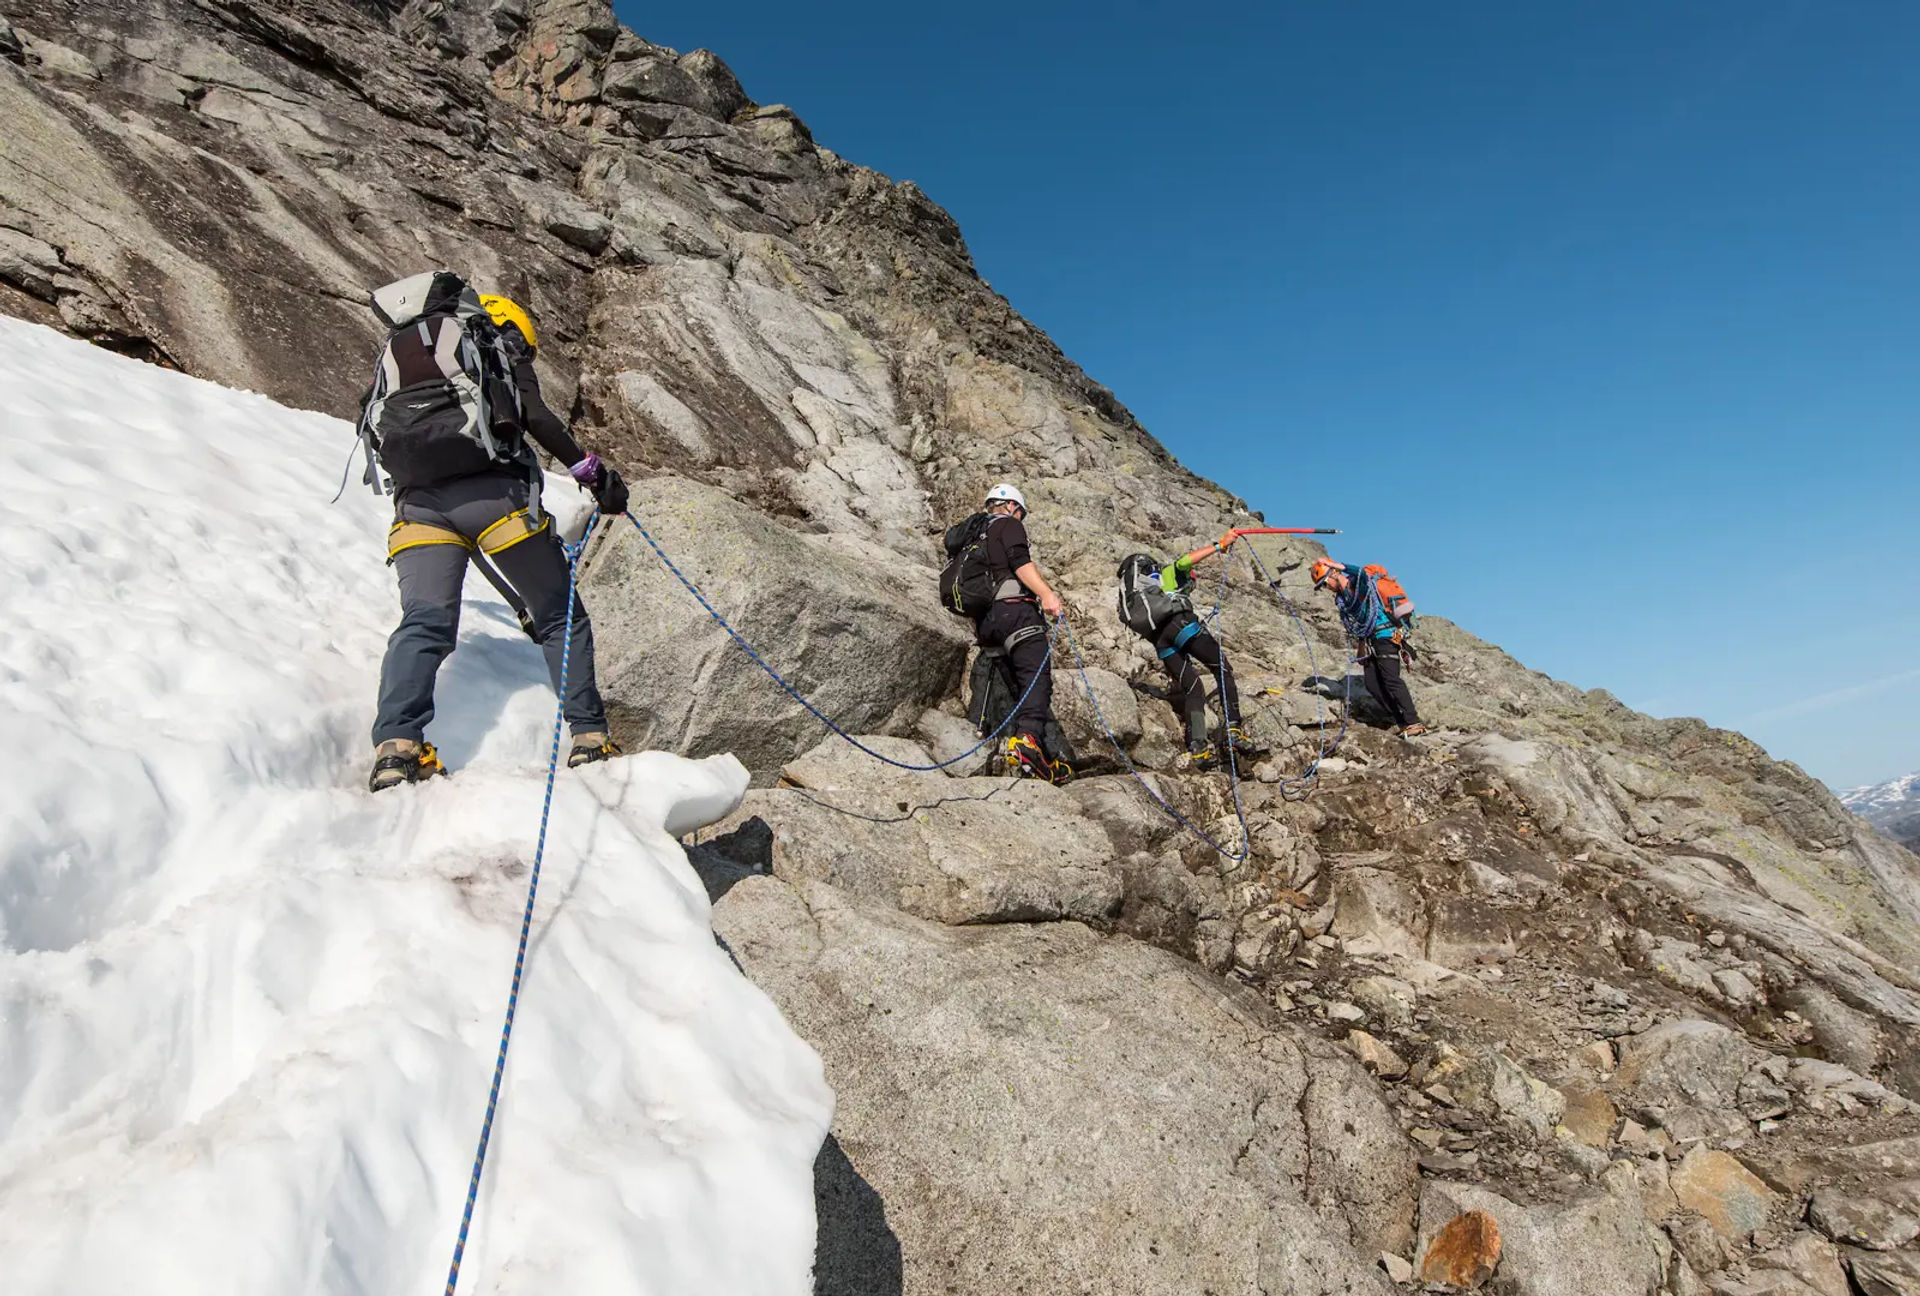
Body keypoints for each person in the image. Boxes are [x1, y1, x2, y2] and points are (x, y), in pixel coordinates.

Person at [357, 271, 631, 791]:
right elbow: (538, 420)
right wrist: (594, 477)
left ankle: (397, 748)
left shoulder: (400, 356)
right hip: (496, 500)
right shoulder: (491, 344)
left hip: (418, 511)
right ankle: (590, 738)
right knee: (558, 617)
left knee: (424, 625)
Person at [1116, 546, 1259, 767]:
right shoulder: (1169, 573)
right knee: (1222, 668)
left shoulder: (1149, 591)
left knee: (1193, 687)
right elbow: (1184, 561)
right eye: (1192, 583)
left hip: (1161, 640)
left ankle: (1198, 748)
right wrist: (1219, 545)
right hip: (1181, 625)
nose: (1191, 587)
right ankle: (1233, 730)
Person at [964, 483, 1069, 782]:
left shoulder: (974, 533)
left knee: (1012, 679)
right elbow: (1020, 562)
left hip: (986, 621)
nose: (1020, 518)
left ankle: (1015, 746)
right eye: (1020, 513)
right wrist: (1047, 594)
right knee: (1036, 673)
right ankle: (1027, 743)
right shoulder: (1008, 524)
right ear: (1011, 506)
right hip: (1015, 611)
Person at [1309, 557, 1427, 737]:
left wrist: (1339, 566)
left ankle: (1414, 722)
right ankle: (1401, 721)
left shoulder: (1356, 585)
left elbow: (1362, 574)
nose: (1326, 588)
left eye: (1324, 583)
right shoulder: (1343, 597)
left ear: (1333, 574)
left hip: (1386, 636)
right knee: (1372, 684)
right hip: (1371, 639)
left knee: (1391, 680)